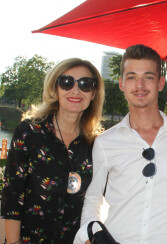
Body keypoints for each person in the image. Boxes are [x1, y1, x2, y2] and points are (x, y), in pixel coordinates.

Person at [74, 45, 167, 244]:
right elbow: (93, 199)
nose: (139, 85)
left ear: (160, 83)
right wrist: (90, 236)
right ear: (121, 83)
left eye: (148, 77)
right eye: (131, 77)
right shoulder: (106, 142)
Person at [1, 58, 104, 243]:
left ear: (94, 93)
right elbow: (12, 197)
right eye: (66, 82)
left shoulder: (97, 144)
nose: (75, 90)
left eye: (85, 84)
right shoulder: (29, 132)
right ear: (55, 88)